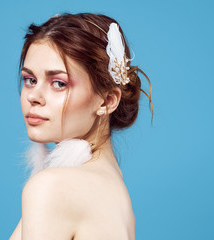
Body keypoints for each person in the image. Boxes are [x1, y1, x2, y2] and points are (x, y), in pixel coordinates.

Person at [9, 12, 153, 240]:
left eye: (59, 83)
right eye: (30, 80)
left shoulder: (54, 188)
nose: (33, 96)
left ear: (107, 101)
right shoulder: (113, 189)